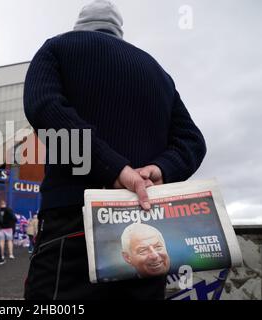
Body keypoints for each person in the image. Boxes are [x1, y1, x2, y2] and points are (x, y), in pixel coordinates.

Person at [23, 0, 206, 300]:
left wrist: (114, 169)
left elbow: (45, 108)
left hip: (73, 222)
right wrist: (159, 169)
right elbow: (192, 140)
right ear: (119, 31)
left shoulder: (57, 48)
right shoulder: (157, 72)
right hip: (146, 220)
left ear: (79, 25)